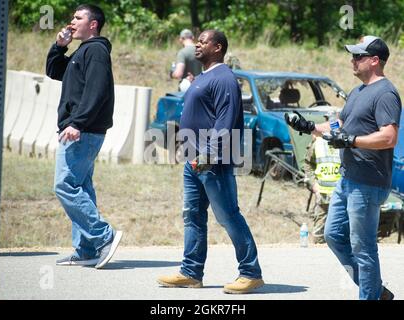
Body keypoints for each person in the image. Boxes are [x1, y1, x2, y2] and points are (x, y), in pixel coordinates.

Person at [285, 36, 400, 300]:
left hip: (369, 182)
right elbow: (340, 125)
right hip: (348, 179)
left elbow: (389, 137)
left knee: (363, 247)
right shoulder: (358, 91)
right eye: (353, 56)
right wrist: (310, 127)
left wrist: (353, 140)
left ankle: (369, 295)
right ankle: (375, 290)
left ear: (374, 61)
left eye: (359, 56)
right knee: (334, 234)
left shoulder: (386, 93)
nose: (353, 60)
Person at [157, 30, 264, 294]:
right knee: (192, 216)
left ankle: (251, 273)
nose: (197, 45)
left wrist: (208, 156)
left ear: (217, 48)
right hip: (194, 162)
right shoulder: (204, 76)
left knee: (228, 216)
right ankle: (191, 272)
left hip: (212, 162)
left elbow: (224, 123)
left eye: (203, 41)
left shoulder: (225, 78)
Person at [46, 4, 122, 269]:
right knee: (82, 188)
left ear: (93, 24)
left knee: (64, 185)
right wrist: (59, 46)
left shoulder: (96, 51)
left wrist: (77, 122)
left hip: (83, 131)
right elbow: (55, 72)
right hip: (84, 129)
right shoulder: (83, 51)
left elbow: (97, 91)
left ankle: (104, 236)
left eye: (78, 17)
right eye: (72, 17)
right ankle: (87, 249)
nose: (72, 21)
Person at [304, 126, 341, 244]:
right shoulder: (318, 143)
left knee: (341, 235)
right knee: (319, 236)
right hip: (323, 197)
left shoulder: (346, 142)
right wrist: (314, 184)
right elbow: (308, 165)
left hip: (342, 197)